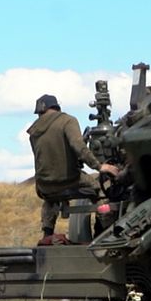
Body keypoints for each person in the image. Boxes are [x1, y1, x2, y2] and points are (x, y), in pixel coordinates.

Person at [28, 94, 119, 241]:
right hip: (69, 180)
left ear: (40, 112)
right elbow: (79, 147)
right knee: (102, 189)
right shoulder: (67, 121)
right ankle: (106, 233)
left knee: (50, 200)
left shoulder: (33, 131)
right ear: (56, 107)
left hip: (44, 186)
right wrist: (99, 166)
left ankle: (47, 233)